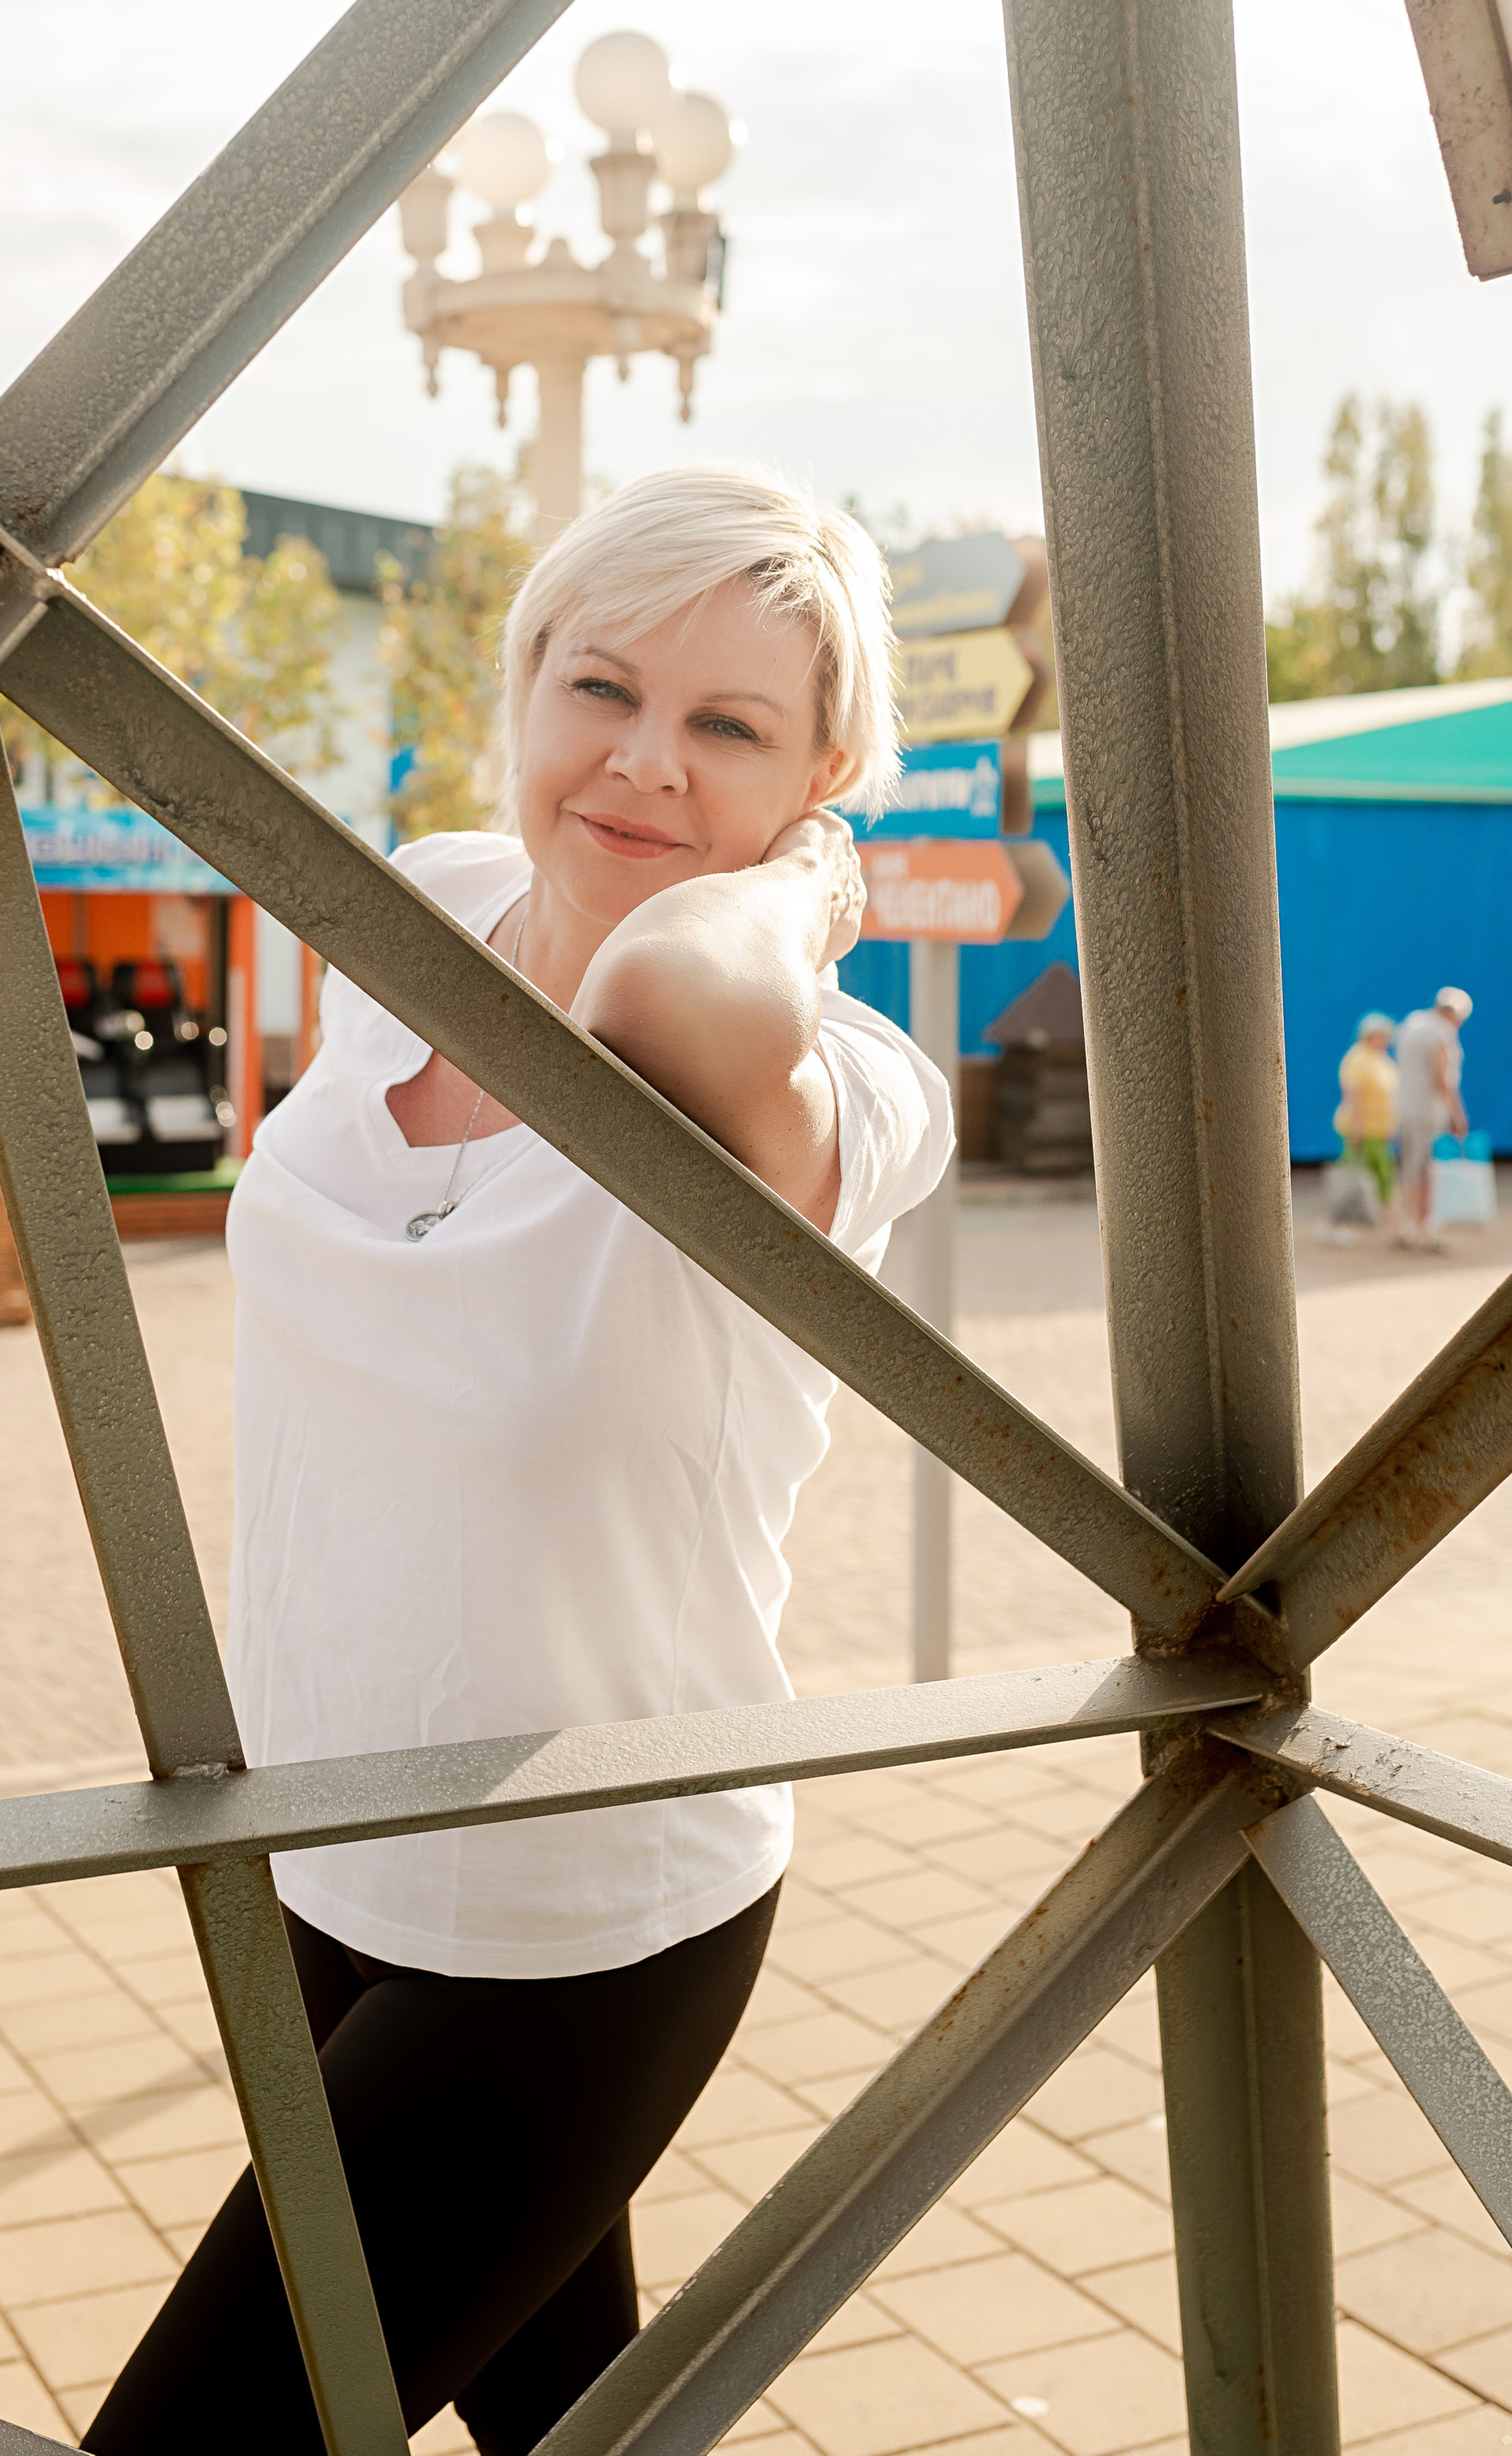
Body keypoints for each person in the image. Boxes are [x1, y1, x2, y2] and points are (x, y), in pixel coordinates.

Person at [86, 466, 953, 2456]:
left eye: (730, 727)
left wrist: (813, 892)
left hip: (578, 1912)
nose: (643, 762)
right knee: (573, 2427)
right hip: (320, 1849)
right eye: (600, 684)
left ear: (825, 779)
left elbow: (660, 997)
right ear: (520, 684)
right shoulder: (426, 909)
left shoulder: (828, 1086)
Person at [1394, 986, 1472, 1253]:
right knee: (1424, 1170)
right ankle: (1422, 1231)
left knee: (1409, 1168)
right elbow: (1443, 1079)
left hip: (1405, 1108)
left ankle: (1405, 1227)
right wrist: (1457, 1114)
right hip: (1428, 1112)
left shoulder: (1411, 1023)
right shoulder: (1441, 1033)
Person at [1330, 1012, 1398, 1230]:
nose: (1386, 1040)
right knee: (1356, 1174)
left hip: (1379, 1131)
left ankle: (1383, 1218)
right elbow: (1354, 1096)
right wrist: (1356, 1129)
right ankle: (1337, 1220)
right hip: (1361, 1130)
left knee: (1383, 1174)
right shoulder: (1357, 1058)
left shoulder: (1382, 1060)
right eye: (1381, 1035)